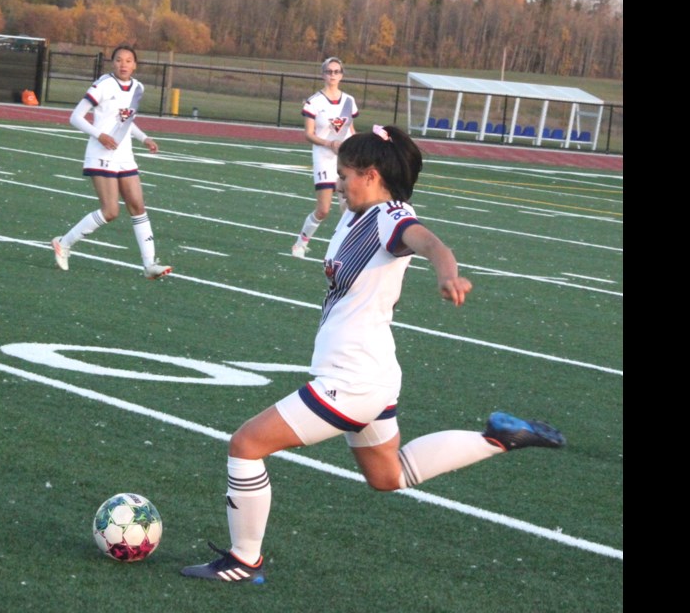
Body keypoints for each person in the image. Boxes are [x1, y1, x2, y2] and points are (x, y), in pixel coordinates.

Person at [181, 125, 566, 584]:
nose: (338, 184)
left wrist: (448, 275)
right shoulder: (355, 214)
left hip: (353, 378)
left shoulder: (390, 216)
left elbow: (431, 243)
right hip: (374, 372)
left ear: (371, 174)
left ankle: (244, 561)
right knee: (388, 475)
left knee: (246, 445)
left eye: (344, 175)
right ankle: (498, 437)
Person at [52, 44, 172, 279]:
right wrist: (100, 135)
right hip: (101, 154)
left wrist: (144, 138)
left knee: (138, 206)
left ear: (135, 65)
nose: (123, 64)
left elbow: (126, 120)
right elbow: (75, 117)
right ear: (112, 63)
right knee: (110, 211)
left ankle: (149, 265)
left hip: (124, 155)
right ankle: (63, 243)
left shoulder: (138, 88)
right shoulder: (104, 85)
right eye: (118, 60)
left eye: (128, 60)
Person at [291, 57, 358, 259]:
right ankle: (300, 243)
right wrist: (330, 144)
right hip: (324, 158)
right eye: (329, 71)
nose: (332, 75)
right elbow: (309, 134)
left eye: (336, 71)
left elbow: (350, 129)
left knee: (350, 207)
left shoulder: (349, 100)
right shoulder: (315, 102)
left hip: (344, 160)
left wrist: (357, 147)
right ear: (323, 74)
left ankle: (346, 249)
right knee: (323, 210)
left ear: (342, 75)